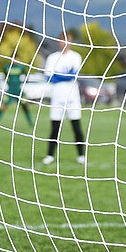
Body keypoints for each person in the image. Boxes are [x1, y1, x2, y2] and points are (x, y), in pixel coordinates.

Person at [41, 30, 86, 166]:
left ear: (71, 42)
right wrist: (63, 75)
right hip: (57, 97)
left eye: (67, 40)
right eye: (62, 40)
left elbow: (74, 75)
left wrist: (58, 75)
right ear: (58, 42)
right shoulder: (52, 58)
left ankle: (81, 155)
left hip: (72, 98)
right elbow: (49, 77)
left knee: (76, 127)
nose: (65, 43)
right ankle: (50, 155)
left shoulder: (76, 57)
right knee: (55, 128)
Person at [0, 54, 35, 128]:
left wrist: (25, 81)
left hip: (18, 91)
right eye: (14, 59)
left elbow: (26, 74)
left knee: (25, 106)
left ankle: (31, 122)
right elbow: (5, 76)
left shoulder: (21, 67)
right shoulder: (7, 67)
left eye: (16, 59)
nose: (15, 60)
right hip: (10, 91)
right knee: (3, 105)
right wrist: (8, 82)